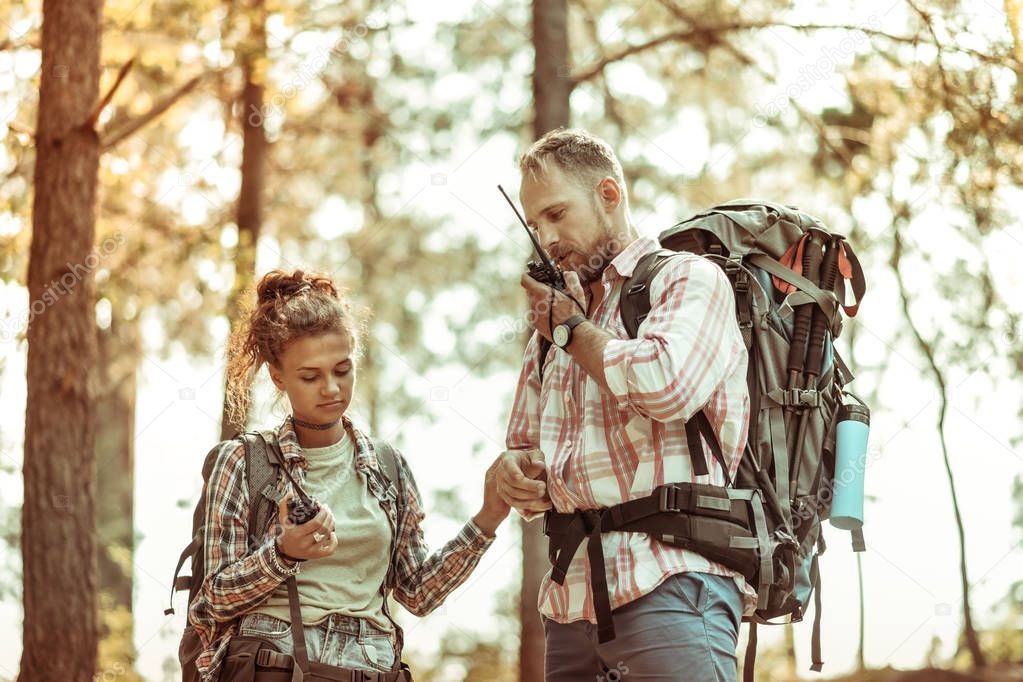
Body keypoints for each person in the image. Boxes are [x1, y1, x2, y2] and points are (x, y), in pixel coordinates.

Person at [495, 128, 755, 682]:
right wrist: (515, 473)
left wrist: (571, 330)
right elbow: (524, 450)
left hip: (672, 587)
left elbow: (665, 386)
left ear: (609, 195)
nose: (547, 237)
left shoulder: (687, 280)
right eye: (535, 223)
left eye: (558, 213)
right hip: (569, 607)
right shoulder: (550, 331)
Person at [189, 269, 510, 681]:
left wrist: (488, 518)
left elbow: (417, 593)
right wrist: (283, 553)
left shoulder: (389, 468)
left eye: (342, 370)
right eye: (310, 376)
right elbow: (213, 600)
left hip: (371, 663)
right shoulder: (242, 461)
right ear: (278, 377)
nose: (331, 388)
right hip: (275, 659)